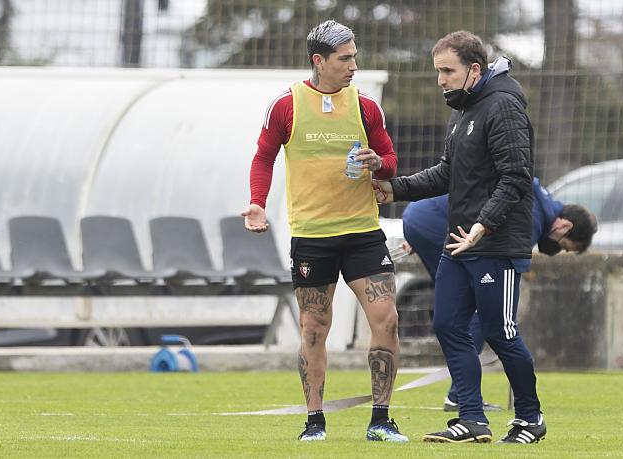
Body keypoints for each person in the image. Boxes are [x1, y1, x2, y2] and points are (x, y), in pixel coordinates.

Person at [373, 30, 546, 444]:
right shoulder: (463, 110)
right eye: (437, 71)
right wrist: (394, 189)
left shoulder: (503, 106)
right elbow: (446, 173)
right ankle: (470, 418)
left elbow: (516, 176)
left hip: (495, 244)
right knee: (448, 323)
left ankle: (530, 418)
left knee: (499, 330)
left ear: (474, 70)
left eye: (447, 71)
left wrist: (483, 226)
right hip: (459, 243)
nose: (440, 80)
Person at [242, 20, 408, 443]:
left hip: (362, 231)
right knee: (314, 328)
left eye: (355, 56)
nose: (354, 65)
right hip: (312, 236)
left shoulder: (366, 106)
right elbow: (264, 158)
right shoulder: (287, 104)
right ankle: (314, 422)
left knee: (386, 319)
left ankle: (381, 420)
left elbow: (389, 158)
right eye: (345, 58)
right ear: (319, 60)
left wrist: (377, 163)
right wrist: (258, 204)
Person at [402, 181, 597, 412]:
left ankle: (462, 394)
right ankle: (462, 396)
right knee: (483, 311)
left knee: (466, 311)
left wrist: (420, 228)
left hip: (423, 217)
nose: (558, 250)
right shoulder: (532, 217)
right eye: (565, 246)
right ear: (564, 226)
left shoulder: (536, 198)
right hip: (434, 223)